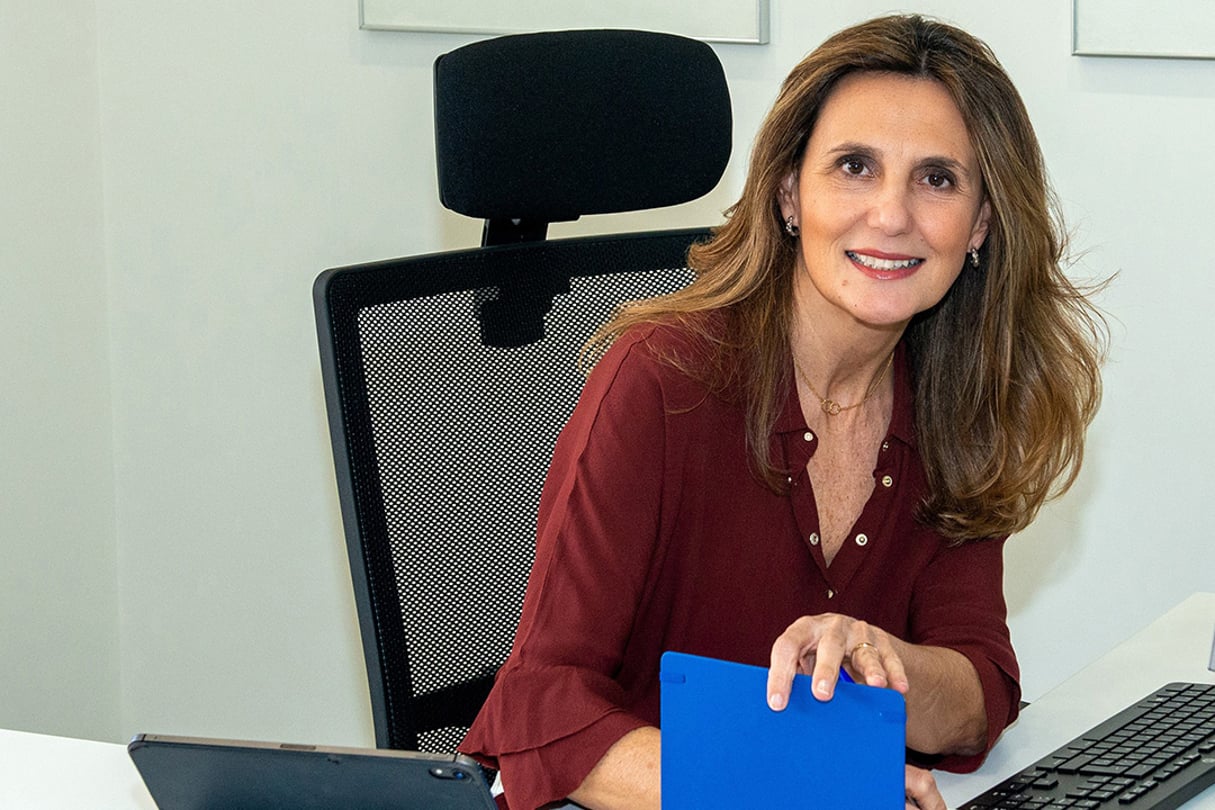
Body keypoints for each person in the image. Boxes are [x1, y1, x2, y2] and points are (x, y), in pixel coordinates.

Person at [461, 13, 1105, 810]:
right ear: (789, 193)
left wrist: (887, 661)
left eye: (937, 178)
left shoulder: (955, 400)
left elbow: (977, 689)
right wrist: (790, 788)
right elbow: (539, 707)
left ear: (979, 225)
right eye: (854, 166)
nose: (892, 214)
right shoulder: (661, 379)